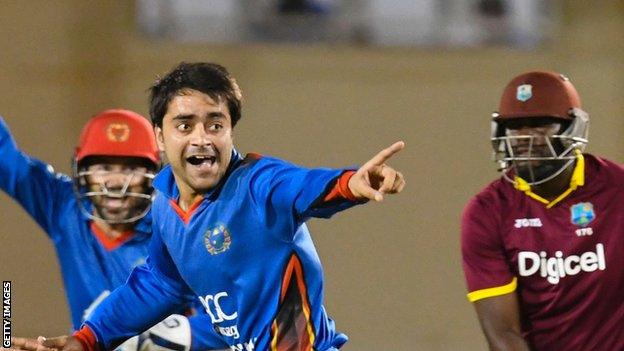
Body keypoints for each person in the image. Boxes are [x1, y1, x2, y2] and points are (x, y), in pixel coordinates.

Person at [36, 62, 406, 351]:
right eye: (185, 125)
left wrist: (349, 183)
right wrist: (88, 338)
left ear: (231, 132)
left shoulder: (257, 183)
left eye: (216, 124)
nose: (202, 138)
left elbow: (302, 185)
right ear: (160, 138)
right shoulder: (165, 204)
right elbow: (161, 284)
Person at [0, 109, 226, 351]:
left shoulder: (178, 229)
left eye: (130, 169)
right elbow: (6, 159)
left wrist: (170, 335)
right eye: (105, 167)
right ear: (82, 172)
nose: (116, 182)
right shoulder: (64, 208)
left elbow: (230, 320)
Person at [461, 71, 624, 350]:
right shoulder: (487, 212)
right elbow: (503, 334)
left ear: (573, 129)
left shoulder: (617, 191)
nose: (523, 137)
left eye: (539, 124)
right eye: (515, 125)